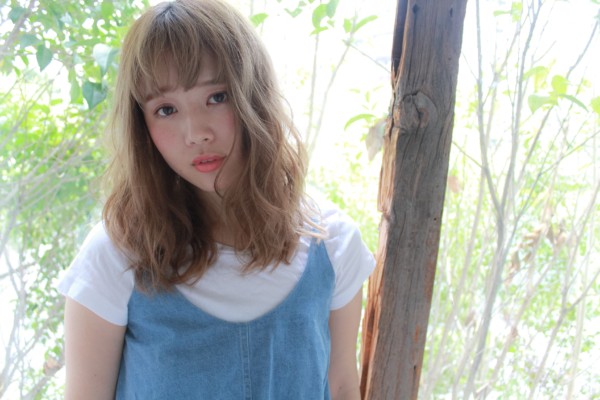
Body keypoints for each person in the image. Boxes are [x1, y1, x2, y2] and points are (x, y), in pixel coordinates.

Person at [58, 0, 375, 398]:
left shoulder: (332, 244)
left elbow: (342, 386)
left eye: (217, 97)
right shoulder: (116, 256)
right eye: (166, 109)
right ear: (142, 125)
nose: (196, 133)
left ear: (253, 95)